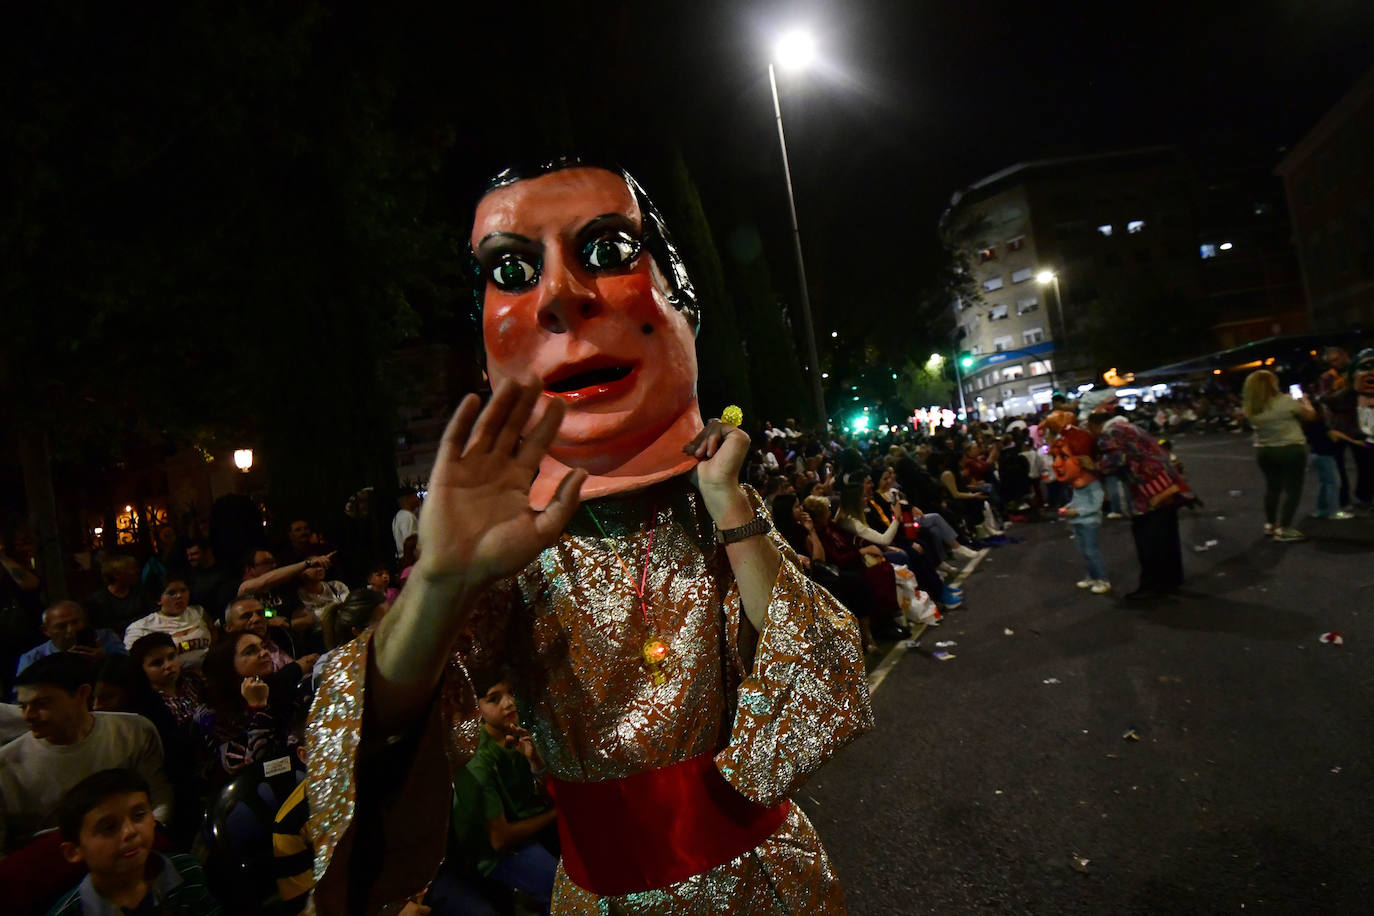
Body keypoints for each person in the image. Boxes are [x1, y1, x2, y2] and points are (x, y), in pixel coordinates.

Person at [306, 160, 871, 914]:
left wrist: (731, 509)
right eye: (511, 267)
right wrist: (441, 579)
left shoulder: (716, 508)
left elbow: (824, 680)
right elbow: (382, 741)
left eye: (607, 250)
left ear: (682, 302)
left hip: (762, 888)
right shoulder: (515, 549)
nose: (559, 295)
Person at [1, 654, 173, 854]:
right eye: (23, 706)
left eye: (42, 704)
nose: (28, 715)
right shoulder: (7, 764)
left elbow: (159, 798)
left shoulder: (133, 731)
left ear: (82, 694)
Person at [442, 668, 557, 913]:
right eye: (494, 699)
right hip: (493, 855)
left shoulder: (516, 733)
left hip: (527, 822)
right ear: (477, 708)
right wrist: (555, 814)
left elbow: (536, 793)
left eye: (510, 693)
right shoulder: (478, 761)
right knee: (557, 886)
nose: (509, 703)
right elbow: (499, 839)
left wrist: (535, 761)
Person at [48, 768, 221, 915]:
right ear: (74, 851)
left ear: (153, 819)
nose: (130, 832)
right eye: (109, 827)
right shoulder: (69, 911)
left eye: (139, 816)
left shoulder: (187, 871)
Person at [1088, 411, 1194, 600]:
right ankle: (1171, 580)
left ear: (1095, 426)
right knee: (1167, 536)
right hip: (1166, 485)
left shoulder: (1110, 433)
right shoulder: (1130, 427)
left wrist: (1093, 465)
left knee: (1147, 537)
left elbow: (1115, 461)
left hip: (1149, 491)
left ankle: (1152, 586)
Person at [200, 631, 305, 780]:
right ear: (229, 665)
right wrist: (258, 709)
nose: (264, 653)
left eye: (263, 647)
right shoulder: (213, 715)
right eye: (251, 651)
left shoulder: (282, 691)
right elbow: (260, 768)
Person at [1241, 370, 1317, 540]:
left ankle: (1270, 524)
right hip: (1290, 448)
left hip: (1265, 450)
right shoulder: (1285, 402)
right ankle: (1285, 528)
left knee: (1272, 488)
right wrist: (1304, 401)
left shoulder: (1250, 407)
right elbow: (1311, 416)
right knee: (1293, 489)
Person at [15, 600, 127, 679]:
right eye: (61, 626)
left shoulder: (106, 638)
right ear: (46, 630)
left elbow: (129, 668)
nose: (71, 630)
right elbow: (20, 696)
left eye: (75, 622)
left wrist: (104, 659)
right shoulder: (32, 658)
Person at [122, 577, 214, 671]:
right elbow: (132, 663)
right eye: (171, 593)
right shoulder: (141, 627)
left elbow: (215, 638)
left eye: (183, 590)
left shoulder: (199, 612)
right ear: (158, 599)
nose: (179, 596)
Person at [223, 595, 306, 673]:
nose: (256, 619)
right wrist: (297, 669)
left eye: (260, 613)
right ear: (229, 628)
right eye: (246, 616)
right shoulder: (227, 660)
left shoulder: (281, 634)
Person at [83, 554, 148, 635]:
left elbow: (152, 613)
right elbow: (105, 628)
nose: (137, 571)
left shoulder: (140, 591)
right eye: (132, 568)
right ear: (117, 574)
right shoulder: (98, 600)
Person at [393, 488, 422, 559]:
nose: (418, 499)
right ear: (408, 499)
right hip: (410, 559)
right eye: (415, 496)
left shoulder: (399, 515)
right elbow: (410, 543)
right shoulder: (407, 516)